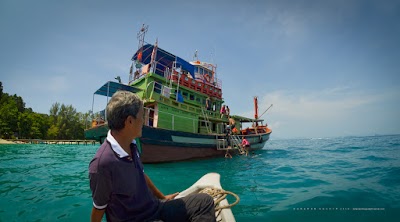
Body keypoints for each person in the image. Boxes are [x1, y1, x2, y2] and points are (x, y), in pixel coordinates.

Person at [89, 90, 215, 222]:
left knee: (204, 202)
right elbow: (98, 210)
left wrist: (162, 197)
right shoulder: (102, 164)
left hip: (155, 208)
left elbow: (141, 175)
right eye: (141, 116)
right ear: (130, 121)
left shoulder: (131, 144)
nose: (144, 121)